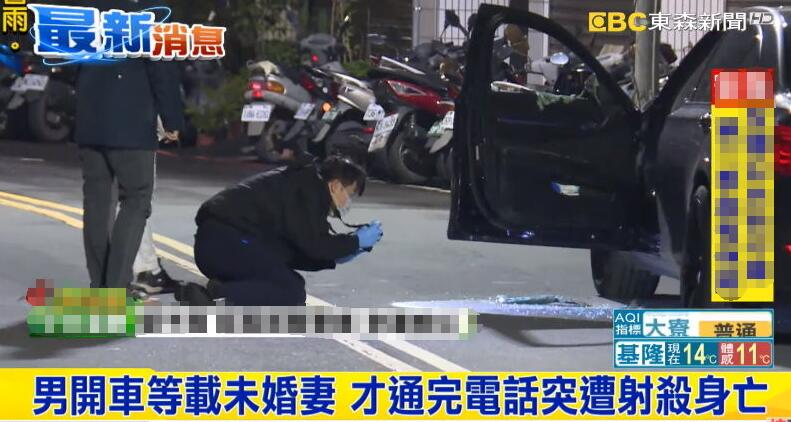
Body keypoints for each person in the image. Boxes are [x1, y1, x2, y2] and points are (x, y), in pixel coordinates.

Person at [77, 0, 183, 289]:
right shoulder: (149, 11)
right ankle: (116, 288)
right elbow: (161, 67)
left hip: (90, 121)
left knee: (97, 206)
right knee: (136, 200)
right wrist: (172, 119)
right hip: (131, 123)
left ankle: (100, 287)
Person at [179, 156, 383, 306]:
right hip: (225, 242)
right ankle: (210, 297)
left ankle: (223, 290)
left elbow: (292, 250)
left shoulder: (302, 184)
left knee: (285, 281)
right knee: (290, 290)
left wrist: (338, 256)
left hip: (221, 243)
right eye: (350, 194)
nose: (348, 202)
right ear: (336, 186)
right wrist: (355, 242)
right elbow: (314, 245)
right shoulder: (306, 192)